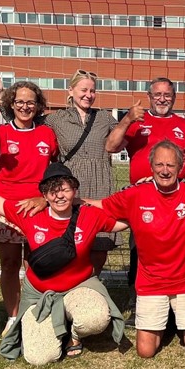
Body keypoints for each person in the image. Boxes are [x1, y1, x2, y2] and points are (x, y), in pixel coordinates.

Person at [0, 163, 128, 365]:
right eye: (52, 191)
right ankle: (58, 324)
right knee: (39, 358)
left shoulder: (89, 215)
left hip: (79, 286)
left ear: (75, 191)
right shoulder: (30, 214)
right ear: (44, 196)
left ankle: (74, 333)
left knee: (96, 318)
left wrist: (149, 196)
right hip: (41, 293)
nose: (59, 196)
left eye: (65, 189)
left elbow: (125, 220)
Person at [94, 140, 185, 358]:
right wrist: (68, 201)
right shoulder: (137, 193)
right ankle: (169, 318)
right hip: (152, 282)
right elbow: (101, 206)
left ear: (180, 167)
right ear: (151, 166)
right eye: (159, 165)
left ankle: (175, 317)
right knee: (145, 351)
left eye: (170, 165)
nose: (164, 171)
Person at [105, 77, 185, 316]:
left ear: (174, 97)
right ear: (149, 97)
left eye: (167, 95)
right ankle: (137, 298)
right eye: (157, 94)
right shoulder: (138, 122)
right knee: (141, 248)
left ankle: (178, 296)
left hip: (177, 197)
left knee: (178, 248)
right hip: (144, 199)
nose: (162, 99)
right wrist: (127, 118)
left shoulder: (184, 125)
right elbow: (111, 146)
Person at [0, 80, 59, 336]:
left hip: (37, 208)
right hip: (7, 208)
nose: (25, 106)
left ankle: (34, 312)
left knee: (35, 263)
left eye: (30, 102)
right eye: (20, 102)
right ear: (12, 104)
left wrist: (46, 198)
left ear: (38, 106)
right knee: (10, 263)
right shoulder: (0, 132)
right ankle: (13, 316)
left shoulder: (47, 134)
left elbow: (54, 168)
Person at [45, 70, 120, 275]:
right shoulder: (55, 119)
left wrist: (129, 119)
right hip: (70, 184)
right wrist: (0, 99)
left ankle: (92, 283)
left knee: (99, 241)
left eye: (92, 91)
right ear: (71, 90)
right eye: (84, 90)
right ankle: (67, 283)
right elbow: (25, 125)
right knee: (69, 237)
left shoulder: (105, 117)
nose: (88, 94)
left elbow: (124, 138)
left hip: (100, 182)